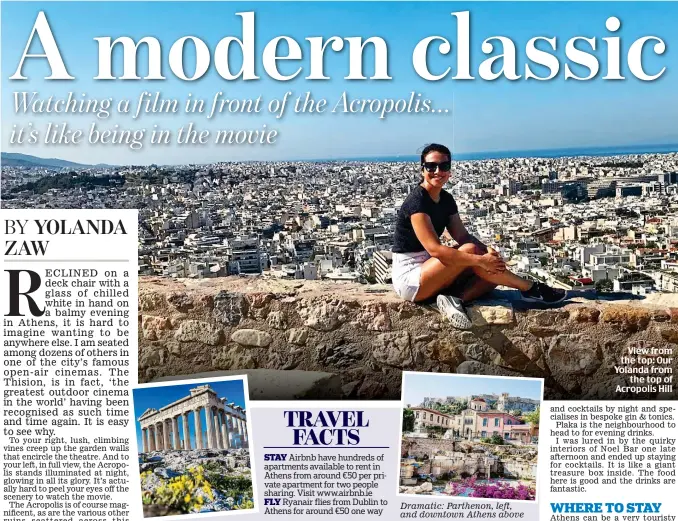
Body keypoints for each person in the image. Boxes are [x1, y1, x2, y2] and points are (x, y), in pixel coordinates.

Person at [391, 143, 567, 330]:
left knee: (491, 273)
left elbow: (462, 235)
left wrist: (487, 252)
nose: (437, 171)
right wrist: (480, 259)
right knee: (472, 253)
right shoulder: (417, 202)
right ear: (422, 170)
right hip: (411, 278)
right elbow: (435, 249)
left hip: (431, 270)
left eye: (444, 166)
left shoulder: (446, 199)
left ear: (450, 170)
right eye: (431, 166)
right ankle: (530, 288)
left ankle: (455, 300)